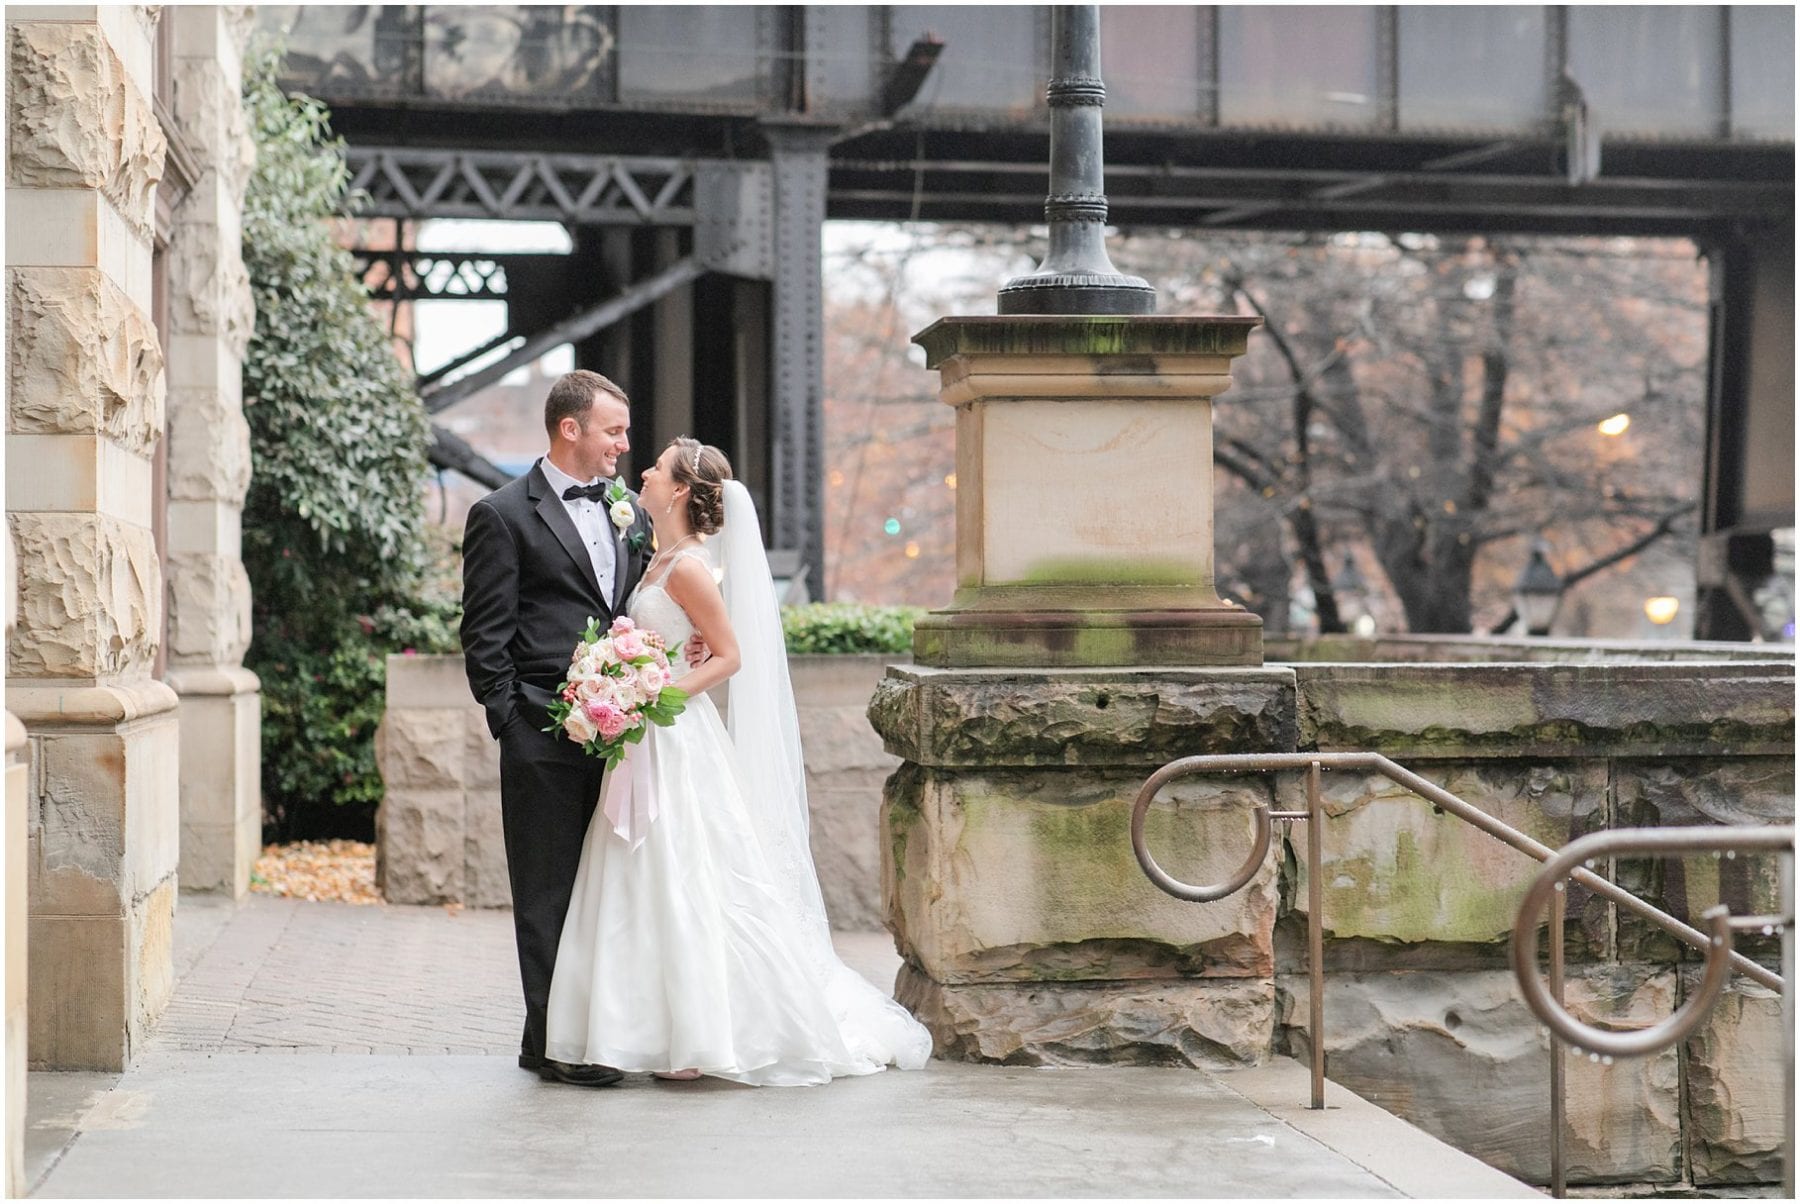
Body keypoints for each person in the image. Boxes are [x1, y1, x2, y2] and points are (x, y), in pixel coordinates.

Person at [544, 437, 934, 1085]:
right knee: (645, 877)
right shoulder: (659, 558)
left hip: (675, 736)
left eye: (657, 467)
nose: (643, 469)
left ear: (676, 491)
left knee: (687, 875)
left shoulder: (690, 568)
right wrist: (620, 680)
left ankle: (702, 1036)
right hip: (646, 735)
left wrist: (653, 693)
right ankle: (656, 1029)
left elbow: (729, 655)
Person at [460, 370, 653, 1088]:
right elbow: (484, 634)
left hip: (621, 734)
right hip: (541, 730)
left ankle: (568, 1036)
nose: (624, 445)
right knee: (546, 893)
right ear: (569, 429)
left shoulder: (629, 509)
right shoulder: (503, 514)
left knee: (605, 891)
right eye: (613, 431)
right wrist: (512, 720)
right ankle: (557, 1047)